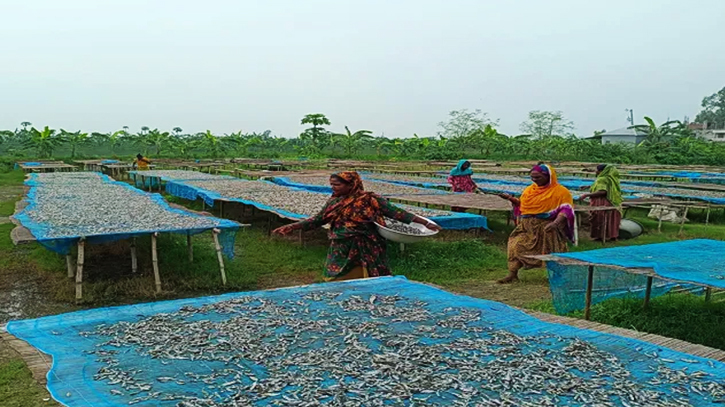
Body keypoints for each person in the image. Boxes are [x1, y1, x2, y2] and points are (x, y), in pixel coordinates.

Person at [272, 172, 441, 281]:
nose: (333, 188)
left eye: (337, 185)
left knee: (372, 275)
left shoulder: (370, 198)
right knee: (338, 276)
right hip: (342, 244)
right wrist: (293, 227)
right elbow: (319, 219)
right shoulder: (334, 200)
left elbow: (395, 212)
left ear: (351, 184)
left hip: (368, 242)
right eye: (331, 184)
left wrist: (425, 222)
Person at [496, 163, 575, 284]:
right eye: (532, 177)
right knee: (515, 245)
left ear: (548, 176)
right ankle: (512, 273)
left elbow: (566, 209)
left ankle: (559, 276)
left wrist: (555, 223)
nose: (534, 180)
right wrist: (510, 198)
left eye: (537, 177)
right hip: (527, 227)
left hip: (546, 227)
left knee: (551, 251)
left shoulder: (561, 192)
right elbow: (523, 205)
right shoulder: (529, 190)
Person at [579, 164, 623, 241]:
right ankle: (612, 236)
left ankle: (600, 237)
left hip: (602, 202)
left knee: (599, 218)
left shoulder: (602, 179)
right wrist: (588, 187)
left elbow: (603, 191)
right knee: (611, 220)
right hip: (612, 202)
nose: (595, 171)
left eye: (596, 170)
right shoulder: (611, 178)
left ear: (601, 171)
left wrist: (587, 194)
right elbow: (605, 187)